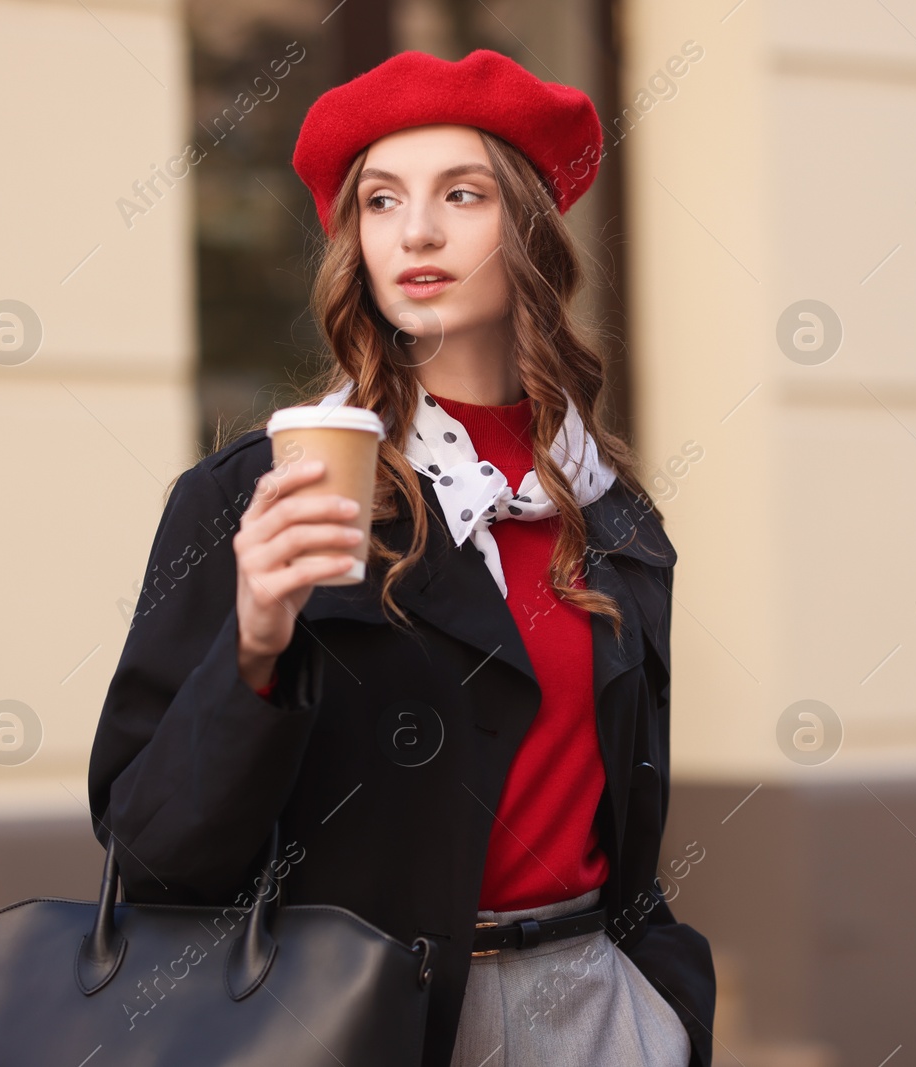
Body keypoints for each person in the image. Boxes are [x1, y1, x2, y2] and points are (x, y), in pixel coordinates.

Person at [86, 49, 716, 1067]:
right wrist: (252, 647)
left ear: (530, 232)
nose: (415, 230)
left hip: (598, 1014)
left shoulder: (611, 513)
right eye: (380, 201)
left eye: (460, 195)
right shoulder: (261, 495)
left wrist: (668, 1010)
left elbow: (630, 829)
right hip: (359, 1022)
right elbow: (154, 857)